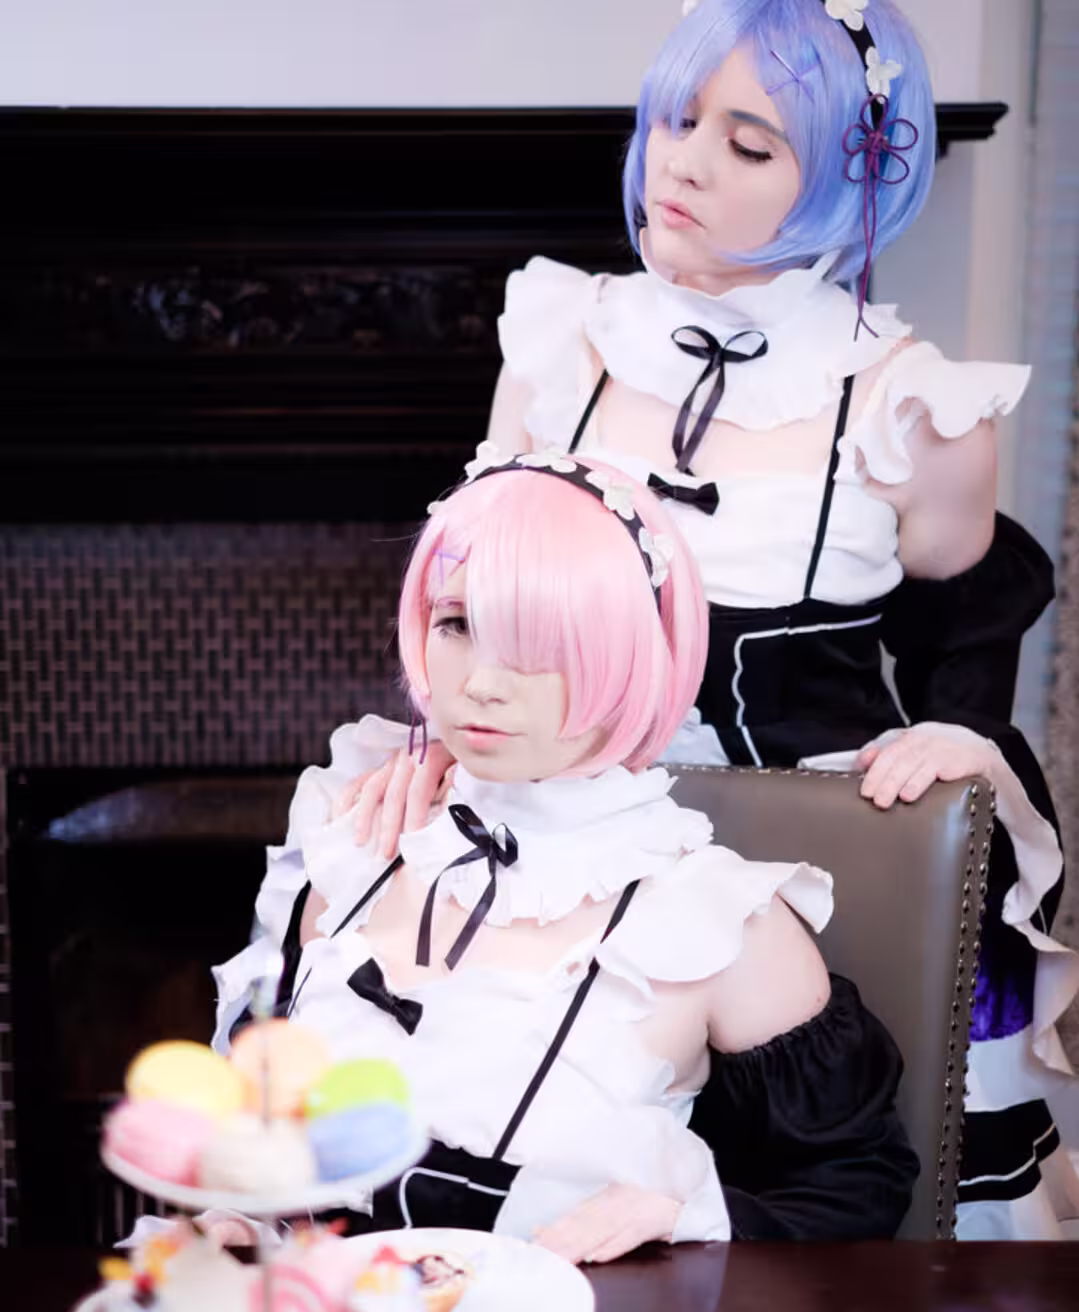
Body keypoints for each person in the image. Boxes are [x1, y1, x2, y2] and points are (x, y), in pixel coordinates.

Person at [334, 0, 1079, 1241]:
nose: (682, 163)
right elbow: (481, 582)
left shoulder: (918, 406)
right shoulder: (559, 343)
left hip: (810, 845)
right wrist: (438, 741)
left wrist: (963, 729)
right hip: (564, 836)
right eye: (678, 121)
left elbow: (970, 607)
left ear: (848, 174)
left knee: (821, 1179)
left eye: (749, 144)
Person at [214, 458, 920, 1253]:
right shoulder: (357, 839)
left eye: (538, 642)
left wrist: (680, 1216)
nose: (481, 683)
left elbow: (855, 1187)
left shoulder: (722, 922)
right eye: (456, 624)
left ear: (633, 655)